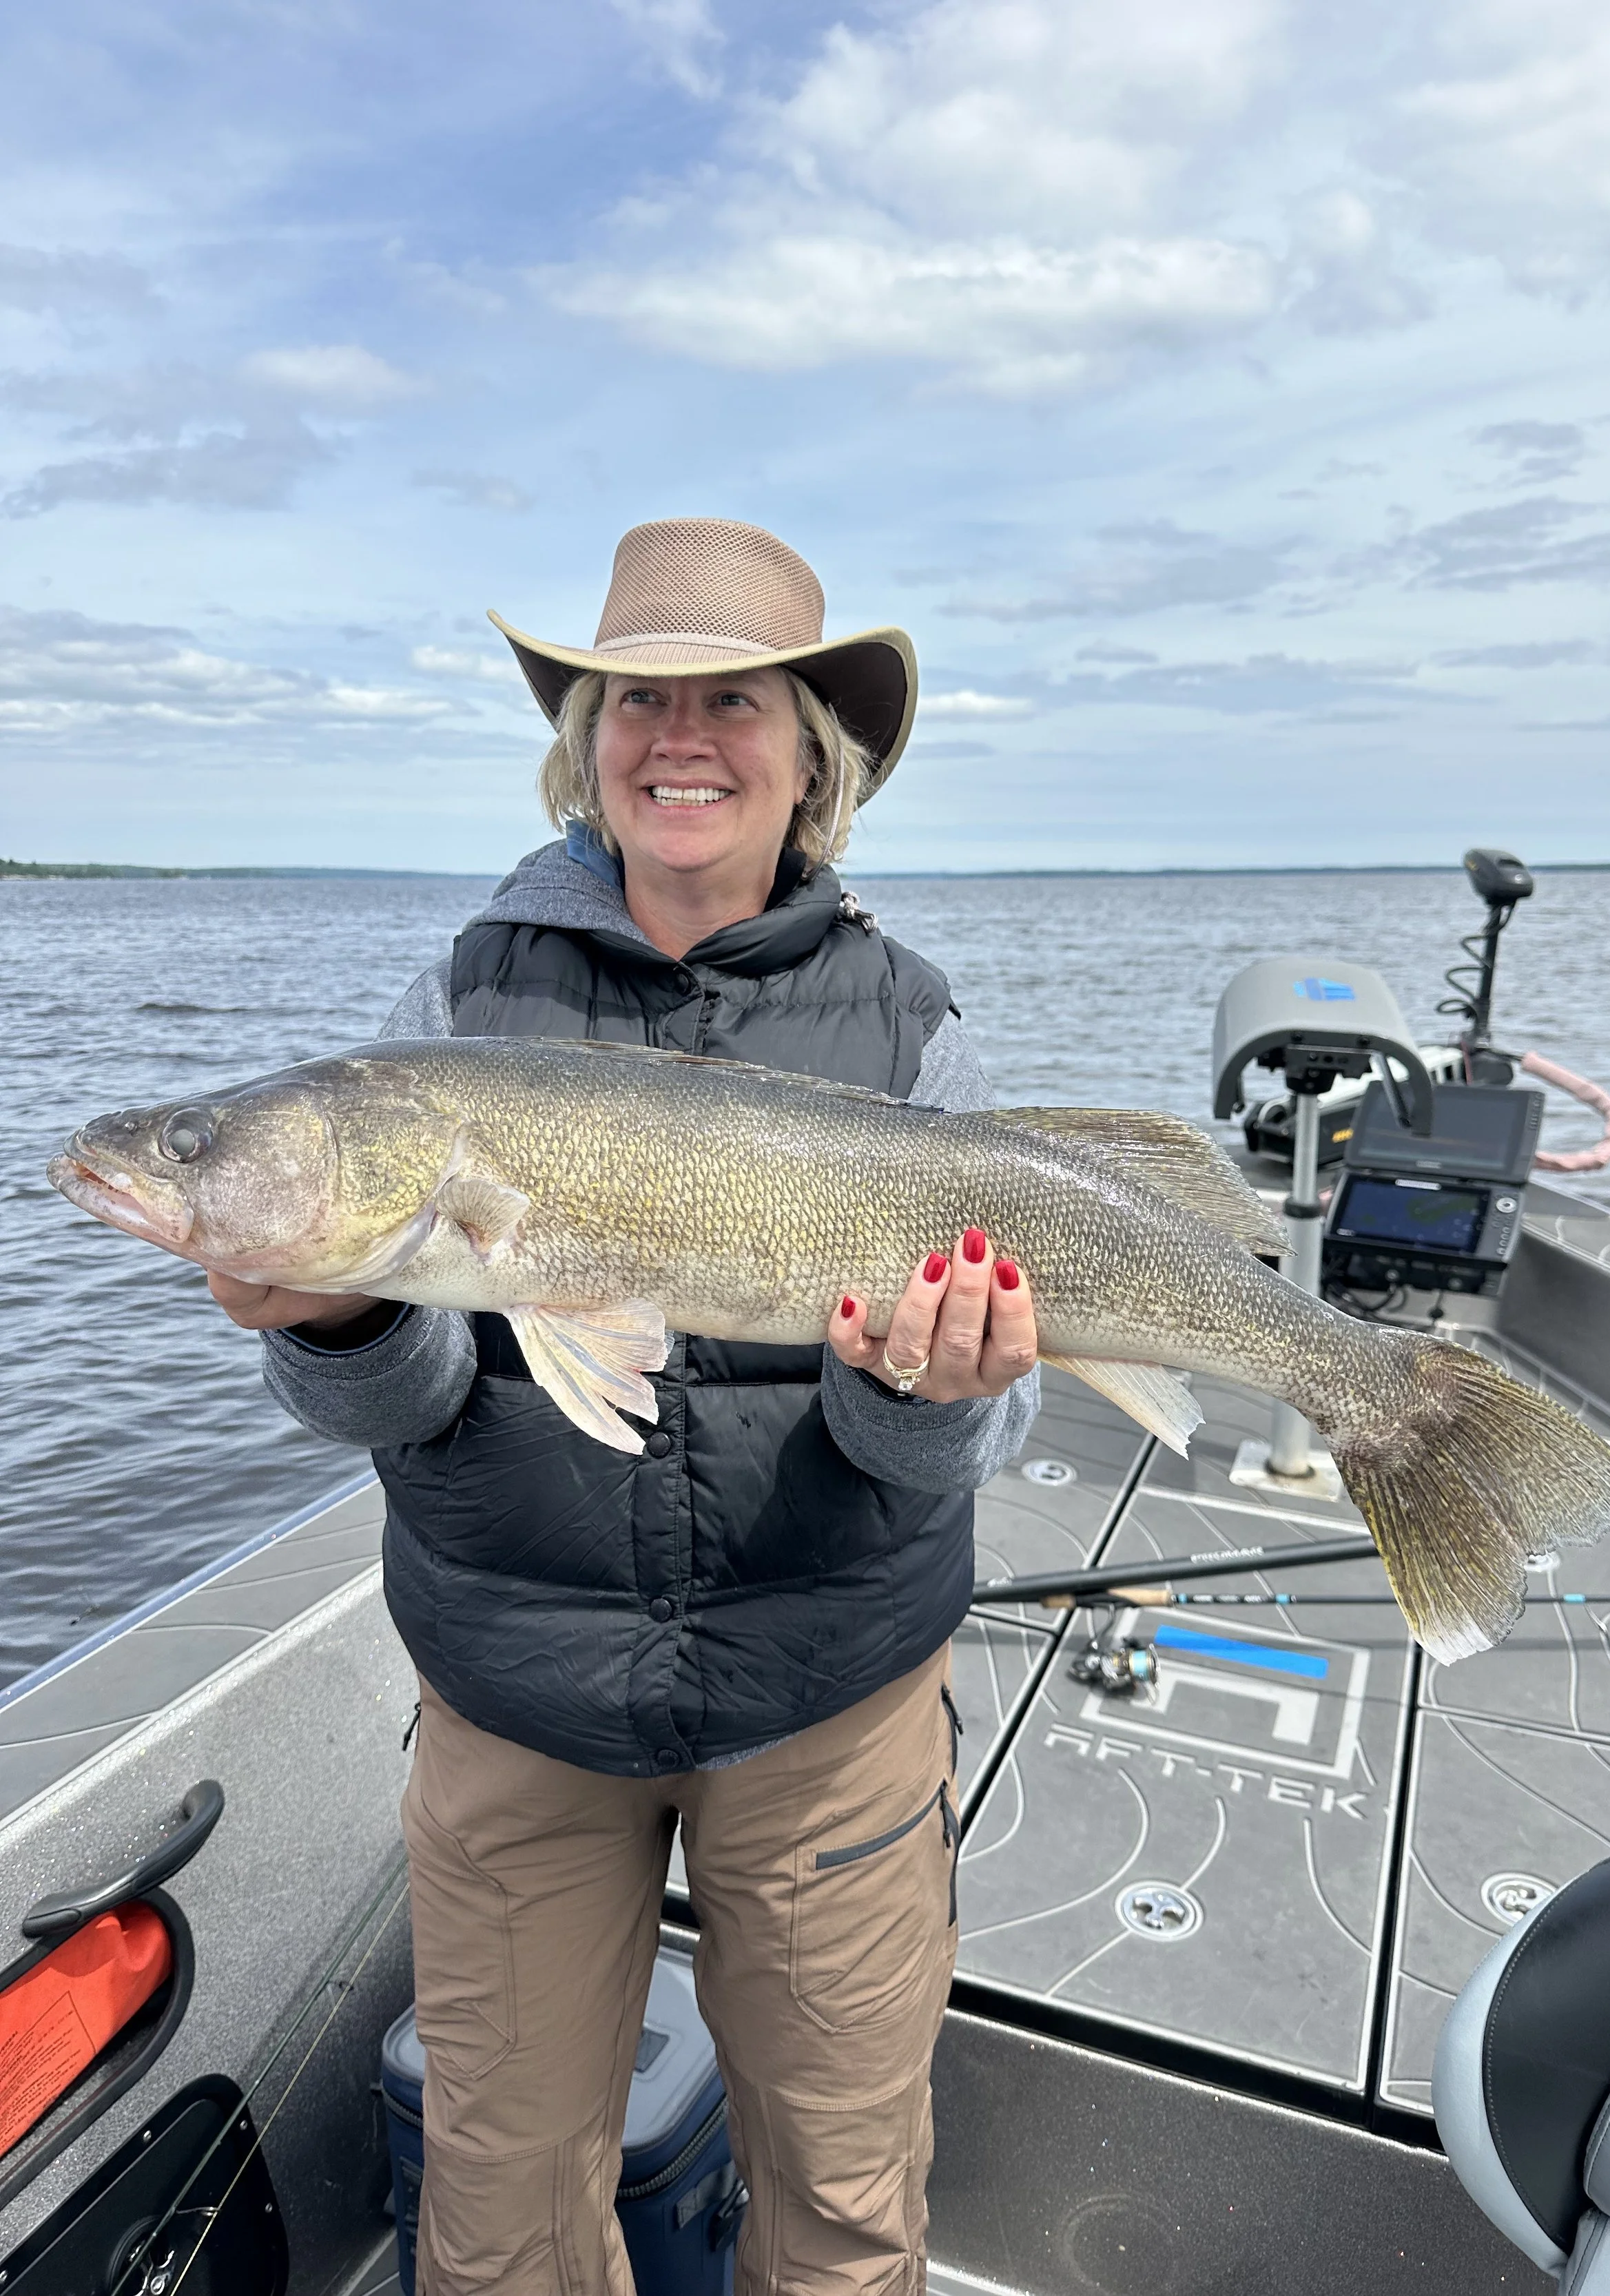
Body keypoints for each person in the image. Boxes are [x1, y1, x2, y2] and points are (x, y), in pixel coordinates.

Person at [209, 517, 1042, 2296]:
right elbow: (405, 1403)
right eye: (634, 702)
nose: (681, 737)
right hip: (518, 1683)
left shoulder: (914, 1026)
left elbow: (984, 1439)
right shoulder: (458, 1005)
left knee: (841, 2175)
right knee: (497, 2196)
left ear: (813, 758)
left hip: (825, 1684)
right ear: (581, 745)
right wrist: (342, 1319)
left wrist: (921, 1397)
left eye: (733, 699)